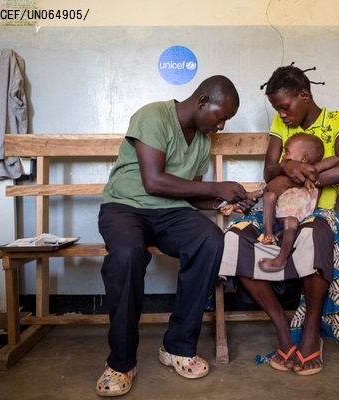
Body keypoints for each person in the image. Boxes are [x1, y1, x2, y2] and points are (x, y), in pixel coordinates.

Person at [96, 75, 254, 397]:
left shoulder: (202, 141)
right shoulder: (152, 115)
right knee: (127, 254)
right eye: (220, 116)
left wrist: (226, 201)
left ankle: (177, 346)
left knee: (210, 239)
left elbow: (189, 194)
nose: (221, 126)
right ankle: (121, 362)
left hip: (170, 212)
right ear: (202, 102)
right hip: (125, 208)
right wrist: (216, 187)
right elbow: (153, 181)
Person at [218, 64, 339, 376]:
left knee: (315, 234)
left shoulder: (337, 120)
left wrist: (302, 177)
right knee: (234, 238)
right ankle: (283, 331)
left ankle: (310, 334)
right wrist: (287, 169)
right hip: (275, 209)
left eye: (285, 107)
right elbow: (269, 171)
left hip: (318, 211)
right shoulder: (281, 127)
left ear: (304, 95)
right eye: (276, 109)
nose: (282, 115)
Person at [258, 133, 339, 272]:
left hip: (297, 224)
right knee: (269, 196)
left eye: (287, 151)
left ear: (303, 159)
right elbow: (267, 189)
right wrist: (248, 196)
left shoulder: (315, 176)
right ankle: (269, 234)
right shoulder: (285, 174)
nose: (283, 156)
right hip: (276, 222)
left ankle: (281, 260)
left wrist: (313, 172)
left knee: (291, 221)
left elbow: (335, 159)